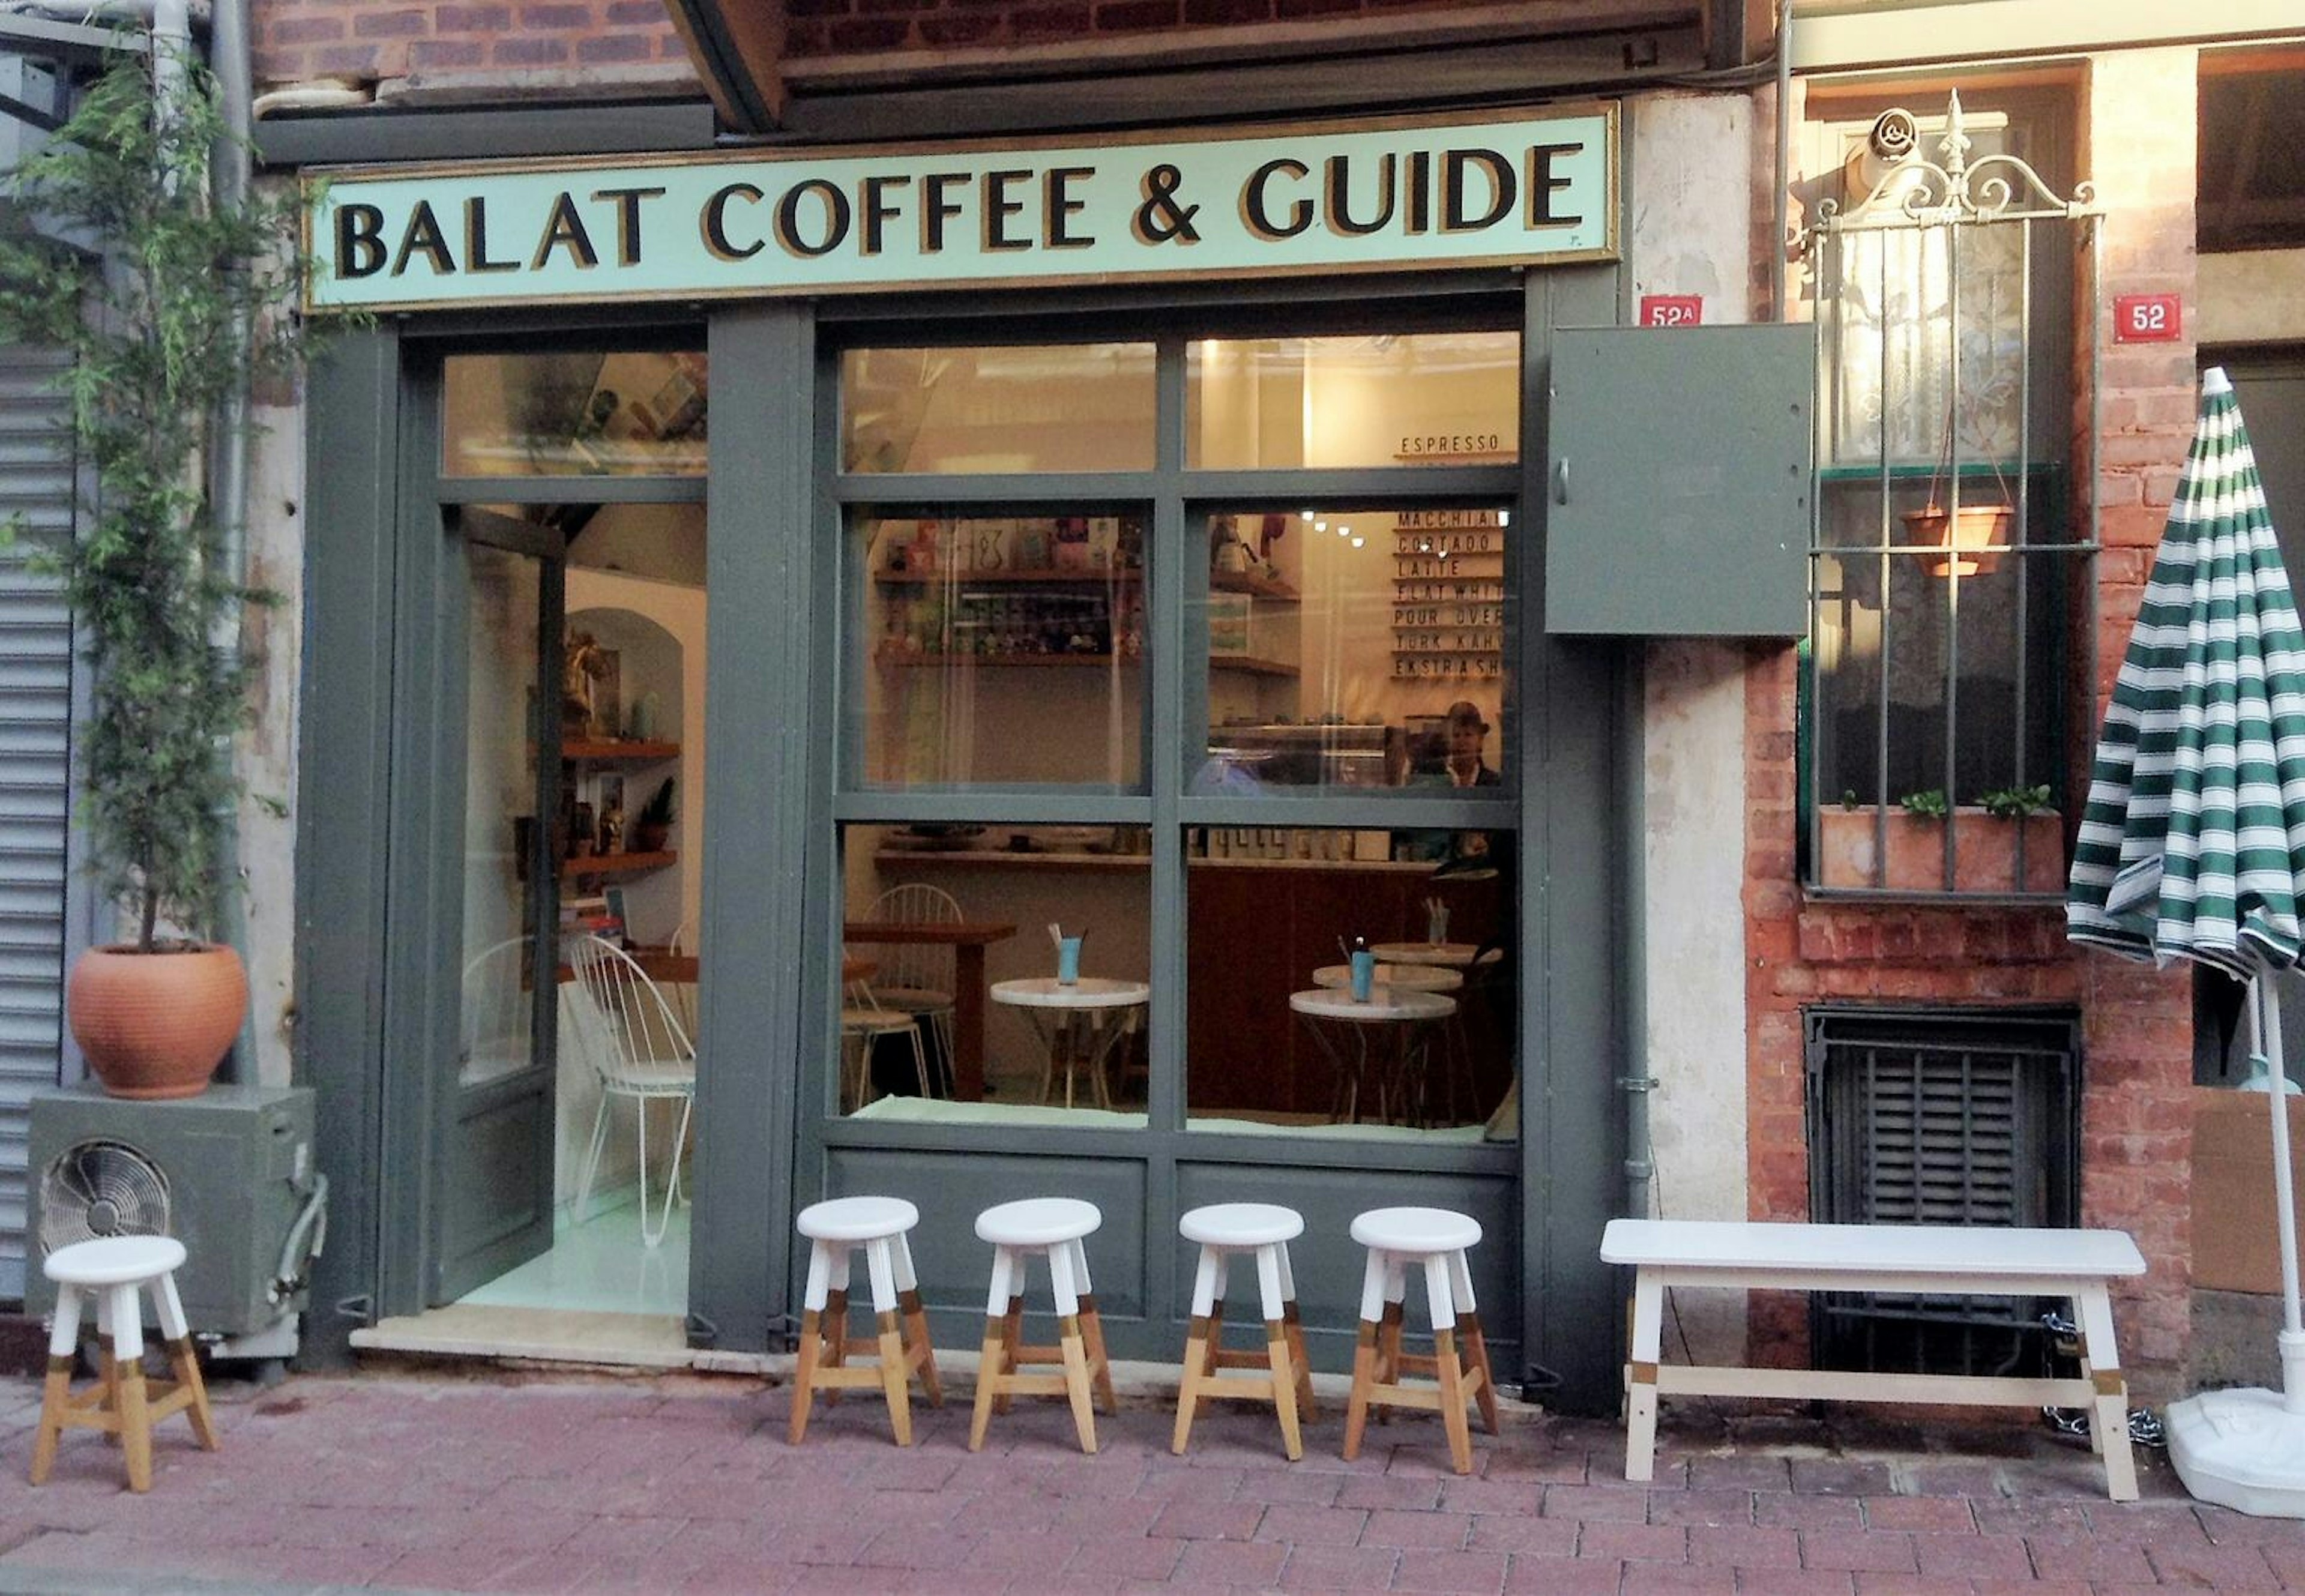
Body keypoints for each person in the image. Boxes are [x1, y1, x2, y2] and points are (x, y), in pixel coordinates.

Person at [1440, 700, 1500, 787]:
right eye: (1456, 735)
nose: (1461, 741)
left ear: (1480, 740)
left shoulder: (1495, 783)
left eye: (1468, 735)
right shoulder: (1434, 779)